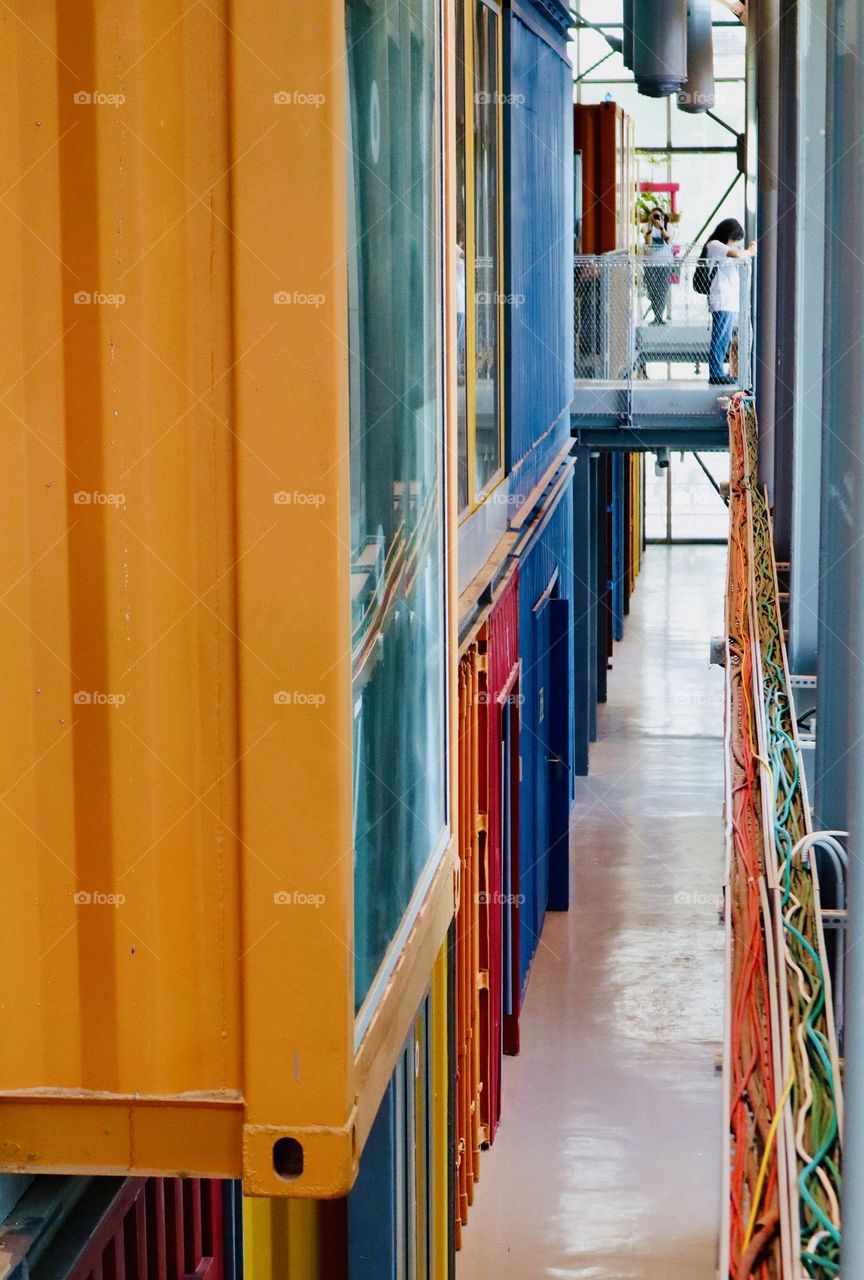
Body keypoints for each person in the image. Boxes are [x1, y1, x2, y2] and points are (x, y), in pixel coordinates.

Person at [703, 218, 757, 385]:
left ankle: (718, 372)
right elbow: (739, 255)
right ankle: (716, 373)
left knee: (723, 338)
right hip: (721, 298)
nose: (734, 243)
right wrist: (751, 250)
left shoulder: (719, 246)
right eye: (735, 239)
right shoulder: (715, 245)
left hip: (726, 300)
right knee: (720, 338)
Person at [643, 206, 674, 324]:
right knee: (652, 290)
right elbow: (649, 242)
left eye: (658, 216)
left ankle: (658, 317)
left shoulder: (668, 226)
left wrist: (661, 226)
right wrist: (651, 225)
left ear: (663, 216)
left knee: (662, 290)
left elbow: (668, 240)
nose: (656, 218)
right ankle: (657, 316)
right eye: (654, 216)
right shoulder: (647, 227)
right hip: (650, 264)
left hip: (665, 263)